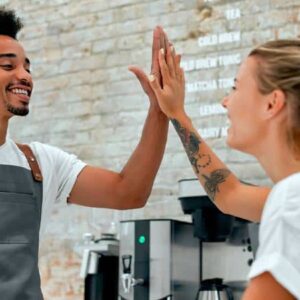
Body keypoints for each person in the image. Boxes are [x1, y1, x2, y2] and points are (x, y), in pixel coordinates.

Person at [0, 8, 172, 300]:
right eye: (8, 66)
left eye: (27, 67)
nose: (25, 76)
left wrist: (159, 110)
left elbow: (129, 192)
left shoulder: (38, 163)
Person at [148, 33, 300, 299]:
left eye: (235, 87)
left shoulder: (292, 200)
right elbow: (229, 195)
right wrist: (176, 114)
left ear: (272, 103)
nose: (225, 101)